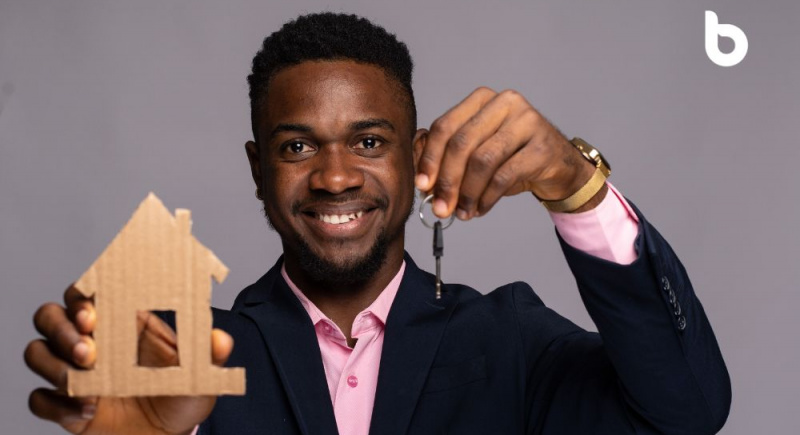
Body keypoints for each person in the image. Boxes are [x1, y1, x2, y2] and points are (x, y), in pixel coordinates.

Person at [25, 12, 731, 435]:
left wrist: (577, 187)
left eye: (368, 142)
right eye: (297, 146)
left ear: (416, 153)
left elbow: (687, 410)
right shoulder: (183, 355)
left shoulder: (508, 340)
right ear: (257, 169)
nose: (335, 176)